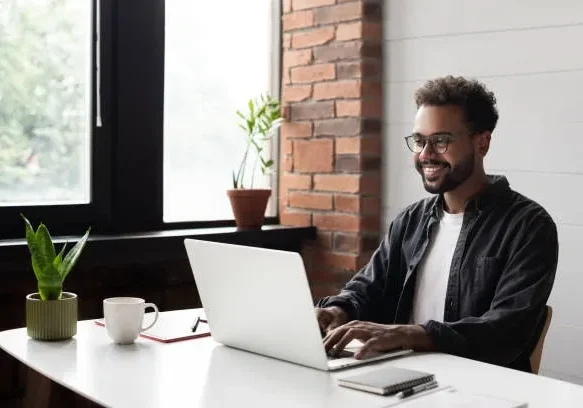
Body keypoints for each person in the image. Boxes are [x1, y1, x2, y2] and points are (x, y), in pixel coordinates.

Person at [316, 75, 558, 373]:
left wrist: (408, 334)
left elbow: (506, 331)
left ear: (482, 142)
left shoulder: (528, 226)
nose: (426, 154)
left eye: (441, 141)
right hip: (402, 377)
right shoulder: (410, 221)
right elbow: (368, 287)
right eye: (419, 141)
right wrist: (338, 310)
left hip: (482, 386)